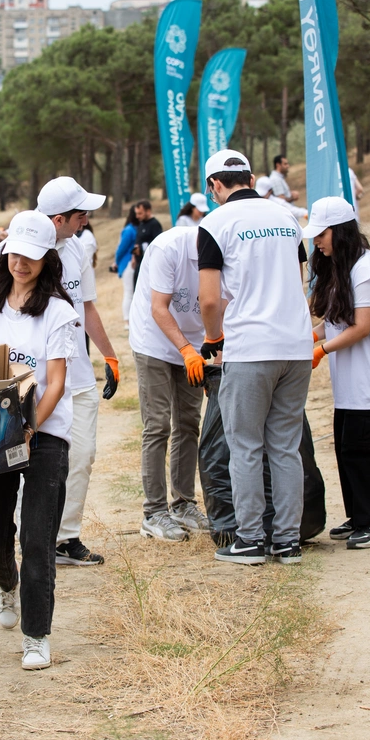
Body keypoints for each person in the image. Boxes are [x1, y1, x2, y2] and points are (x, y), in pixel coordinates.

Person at [0, 210, 78, 670]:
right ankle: (7, 585)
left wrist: (29, 430)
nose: (20, 263)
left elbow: (57, 382)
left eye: (31, 256)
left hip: (44, 432)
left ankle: (36, 635)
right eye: (14, 254)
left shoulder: (59, 313)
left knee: (38, 536)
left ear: (47, 259)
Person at [197, 150, 312, 566]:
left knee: (245, 446)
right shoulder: (286, 216)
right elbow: (301, 282)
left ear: (214, 186)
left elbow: (208, 298)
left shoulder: (213, 223)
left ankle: (248, 539)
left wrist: (213, 340)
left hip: (249, 349)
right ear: (250, 177)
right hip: (295, 346)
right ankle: (287, 541)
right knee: (285, 447)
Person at [34, 177, 119, 567]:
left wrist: (110, 355)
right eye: (81, 213)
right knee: (30, 458)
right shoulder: (14, 250)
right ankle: (32, 536)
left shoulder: (78, 248)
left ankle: (65, 537)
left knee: (82, 455)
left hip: (78, 374)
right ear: (58, 218)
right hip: (34, 377)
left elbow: (87, 308)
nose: (86, 219)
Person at [306, 197, 370, 550]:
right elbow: (333, 321)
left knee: (364, 448)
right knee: (346, 447)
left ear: (340, 231)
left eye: (322, 234)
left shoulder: (366, 269)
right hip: (348, 380)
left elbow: (361, 326)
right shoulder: (341, 268)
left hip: (368, 376)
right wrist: (309, 337)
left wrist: (321, 351)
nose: (317, 242)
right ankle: (358, 515)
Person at [129, 224, 209, 542]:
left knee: (189, 422)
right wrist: (186, 349)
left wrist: (208, 348)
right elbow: (158, 308)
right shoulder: (169, 248)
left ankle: (184, 504)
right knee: (158, 424)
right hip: (154, 340)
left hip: (194, 342)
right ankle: (154, 512)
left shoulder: (224, 249)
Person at [114, 206, 139, 329]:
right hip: (128, 264)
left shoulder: (136, 228)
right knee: (129, 292)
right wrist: (117, 262)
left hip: (135, 264)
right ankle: (127, 321)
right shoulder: (129, 230)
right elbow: (121, 249)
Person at [131, 199, 163, 286]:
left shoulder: (155, 224)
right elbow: (137, 241)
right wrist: (134, 256)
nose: (137, 216)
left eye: (140, 213)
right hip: (139, 264)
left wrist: (142, 248)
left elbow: (158, 244)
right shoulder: (141, 224)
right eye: (136, 213)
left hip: (150, 266)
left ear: (148, 211)